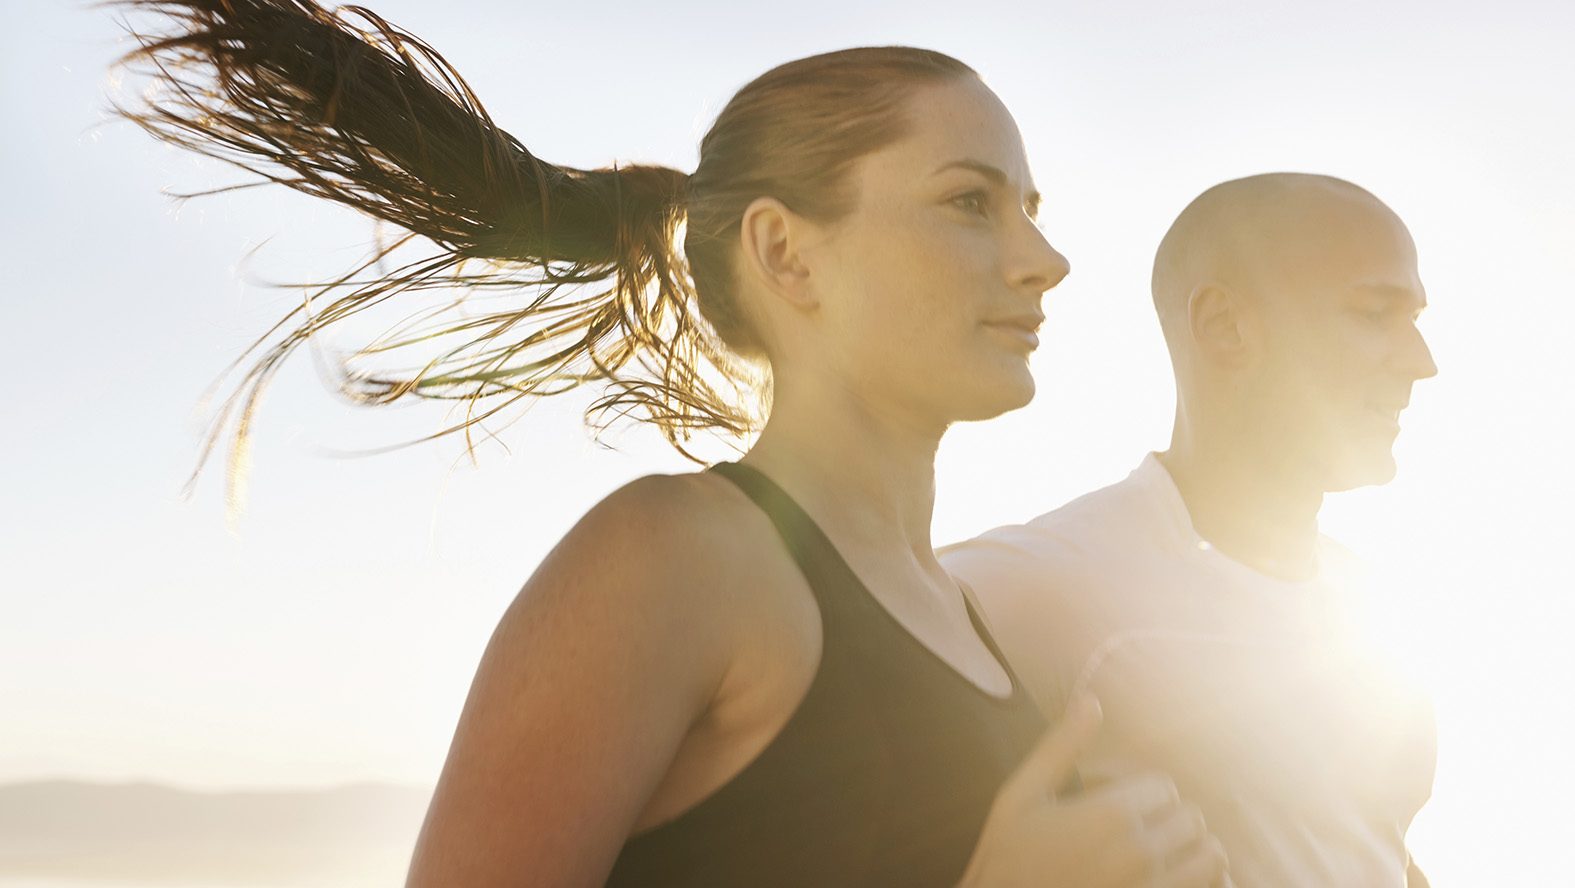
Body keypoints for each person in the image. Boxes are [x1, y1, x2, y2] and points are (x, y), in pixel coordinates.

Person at [114, 1, 1231, 885]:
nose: (1045, 259)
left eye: (1030, 205)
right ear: (787, 256)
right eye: (971, 204)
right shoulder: (673, 560)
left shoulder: (972, 621)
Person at [942, 173, 1440, 887]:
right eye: (1372, 314)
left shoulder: (1373, 613)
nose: (1421, 362)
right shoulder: (1033, 584)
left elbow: (1370, 852)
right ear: (1224, 326)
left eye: (1415, 319)